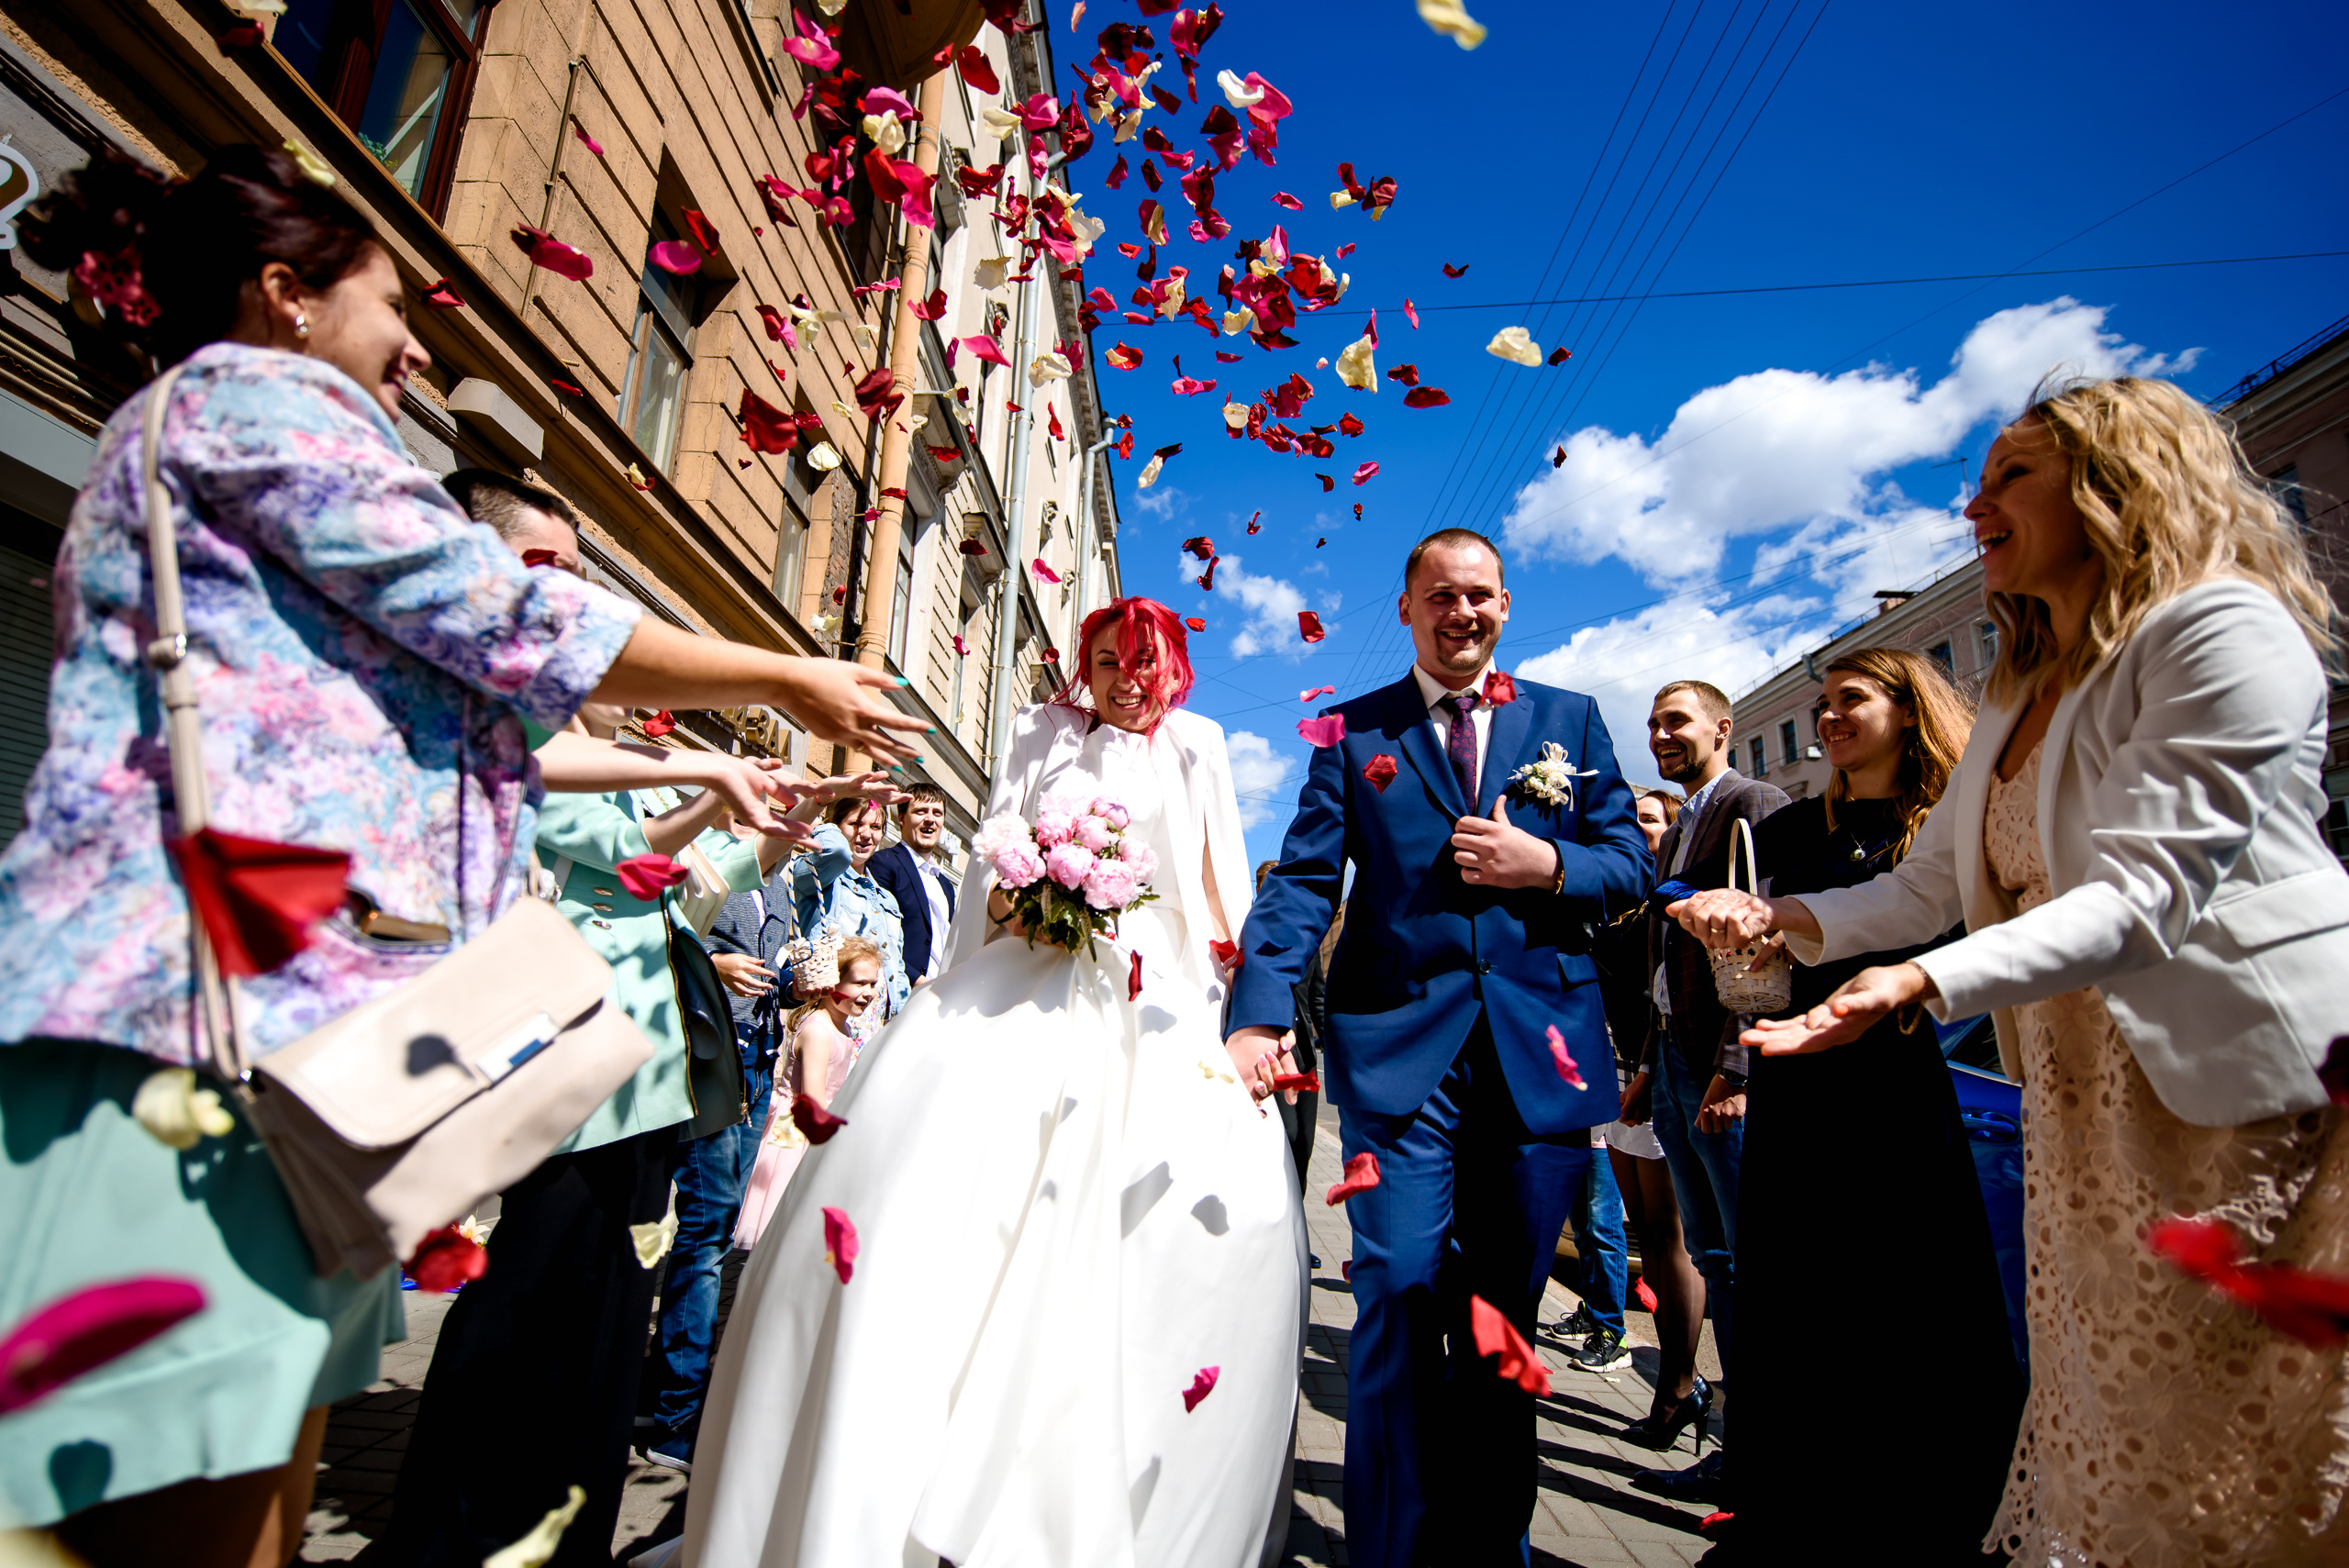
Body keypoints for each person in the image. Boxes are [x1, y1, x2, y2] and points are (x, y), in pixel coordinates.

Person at [0, 144, 913, 1568]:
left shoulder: (199, 431)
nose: (420, 337)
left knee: (210, 1481)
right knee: (156, 1498)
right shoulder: (257, 400)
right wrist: (786, 676)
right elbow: (489, 608)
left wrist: (705, 763)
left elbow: (482, 703)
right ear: (287, 295)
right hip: (197, 1016)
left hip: (241, 1022)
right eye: (388, 302)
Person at [1672, 376, 2349, 1567]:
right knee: (2121, 1424)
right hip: (2086, 1110)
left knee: (2245, 1452)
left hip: (2245, 1102)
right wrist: (1778, 919)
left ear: (2113, 483)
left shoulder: (2220, 628)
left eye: (2008, 476)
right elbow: (1926, 891)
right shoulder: (2021, 688)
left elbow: (2149, 889)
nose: (1973, 503)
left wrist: (1918, 986)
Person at [666, 596, 1306, 1568]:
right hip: (1032, 964)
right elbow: (992, 863)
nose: (1125, 677)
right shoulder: (1036, 730)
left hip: (1159, 988)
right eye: (1104, 657)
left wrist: (1247, 1009)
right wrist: (1023, 902)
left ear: (1173, 666)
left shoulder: (1202, 743)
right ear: (1081, 663)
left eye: (1144, 660)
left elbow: (1222, 887)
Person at [1229, 528, 1652, 1566]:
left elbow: (1630, 864)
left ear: (1505, 605)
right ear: (1409, 607)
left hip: (1534, 1058)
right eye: (1441, 597)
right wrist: (1258, 1010)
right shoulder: (1349, 731)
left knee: (1504, 1315)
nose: (1463, 613)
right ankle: (1384, 1547)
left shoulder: (1570, 719)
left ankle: (1489, 1541)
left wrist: (1543, 860)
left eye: (1481, 597)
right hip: (1400, 1053)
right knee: (1400, 1293)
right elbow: (1301, 879)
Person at [362, 701, 830, 1566]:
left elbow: (692, 881)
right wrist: (711, 790)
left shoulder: (611, 763)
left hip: (640, 1084)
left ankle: (564, 1522)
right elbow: (634, 860)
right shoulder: (548, 748)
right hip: (573, 1080)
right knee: (524, 1302)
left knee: (608, 1322)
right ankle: (454, 1523)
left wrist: (788, 814)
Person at [1705, 649, 2023, 1563]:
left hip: (1894, 1079)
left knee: (1909, 1298)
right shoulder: (1796, 824)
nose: (1828, 719)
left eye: (1851, 699)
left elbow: (1935, 930)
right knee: (1800, 1296)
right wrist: (1743, 938)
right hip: (1799, 1075)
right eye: (1822, 703)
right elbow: (1781, 950)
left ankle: (1928, 1508)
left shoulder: (1950, 822)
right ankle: (1793, 1501)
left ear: (1907, 707)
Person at [1625, 679, 1788, 1501]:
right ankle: (1732, 1435)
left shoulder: (1753, 804)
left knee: (1751, 1263)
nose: (1661, 734)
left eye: (1676, 721)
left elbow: (1770, 943)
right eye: (1654, 723)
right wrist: (1654, 1064)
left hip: (1724, 1071)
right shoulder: (1679, 826)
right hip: (1676, 1065)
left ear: (1723, 728)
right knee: (1714, 1257)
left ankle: (1768, 1454)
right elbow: (1668, 960)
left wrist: (1740, 1067)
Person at [639, 819, 806, 1473]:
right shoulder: (701, 858)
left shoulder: (779, 880)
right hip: (708, 1059)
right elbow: (659, 939)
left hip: (759, 1060)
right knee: (705, 1235)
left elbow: (772, 971)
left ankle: (659, 1393)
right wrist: (716, 963)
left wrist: (797, 985)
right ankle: (679, 1417)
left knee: (714, 1226)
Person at [1594, 788, 1712, 1453]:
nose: (1635, 829)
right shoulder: (1618, 896)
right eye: (1628, 818)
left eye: (1647, 818)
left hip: (1658, 1067)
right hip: (1616, 1068)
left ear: (1670, 830)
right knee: (1641, 1223)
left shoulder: (1674, 896)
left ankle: (1680, 1382)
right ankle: (1673, 1381)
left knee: (1672, 1237)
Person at [729, 936, 884, 1251]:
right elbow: (813, 1099)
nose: (867, 993)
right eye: (858, 983)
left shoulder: (842, 1026)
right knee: (786, 1224)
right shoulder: (818, 1030)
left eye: (872, 984)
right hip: (796, 1135)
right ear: (831, 982)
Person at [784, 795, 911, 1035]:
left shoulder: (887, 899)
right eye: (854, 824)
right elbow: (837, 853)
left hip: (877, 1022)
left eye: (875, 827)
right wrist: (820, 827)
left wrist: (901, 1022)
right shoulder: (820, 877)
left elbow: (897, 967)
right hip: (830, 1018)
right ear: (836, 825)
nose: (865, 834)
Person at [1254, 858, 1329, 1204]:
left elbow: (1317, 999)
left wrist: (1329, 1042)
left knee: (1304, 1145)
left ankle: (1297, 1238)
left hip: (1304, 1060)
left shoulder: (1307, 944)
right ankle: (1274, 1224)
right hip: (1269, 1058)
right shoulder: (1251, 940)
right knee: (1285, 1136)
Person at [866, 782, 958, 985]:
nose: (930, 819)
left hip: (942, 992)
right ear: (901, 817)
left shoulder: (945, 885)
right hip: (903, 990)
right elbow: (876, 935)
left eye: (937, 813)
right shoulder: (884, 863)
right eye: (921, 811)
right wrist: (917, 981)